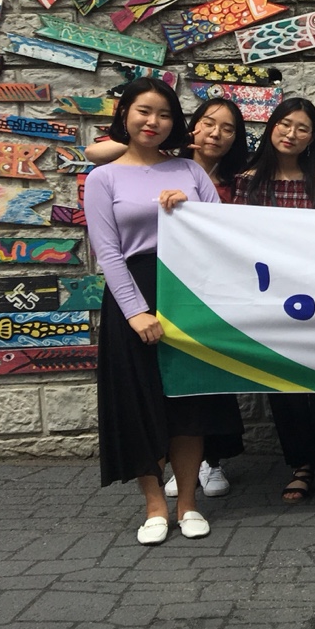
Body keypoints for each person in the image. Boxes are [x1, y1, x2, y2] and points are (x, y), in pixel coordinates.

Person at [85, 78, 244, 545]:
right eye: (144, 111)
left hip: (188, 291)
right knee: (140, 402)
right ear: (125, 116)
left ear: (175, 123)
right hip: (133, 293)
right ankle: (154, 505)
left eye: (164, 114)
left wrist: (188, 208)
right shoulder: (103, 178)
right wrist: (136, 311)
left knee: (188, 403)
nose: (153, 122)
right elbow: (108, 252)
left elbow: (223, 230)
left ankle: (188, 503)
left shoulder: (190, 171)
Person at [232, 98, 315, 505]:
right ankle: (300, 464)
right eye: (285, 124)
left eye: (302, 128)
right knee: (284, 385)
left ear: (313, 137)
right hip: (271, 296)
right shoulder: (247, 181)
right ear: (271, 127)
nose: (292, 134)